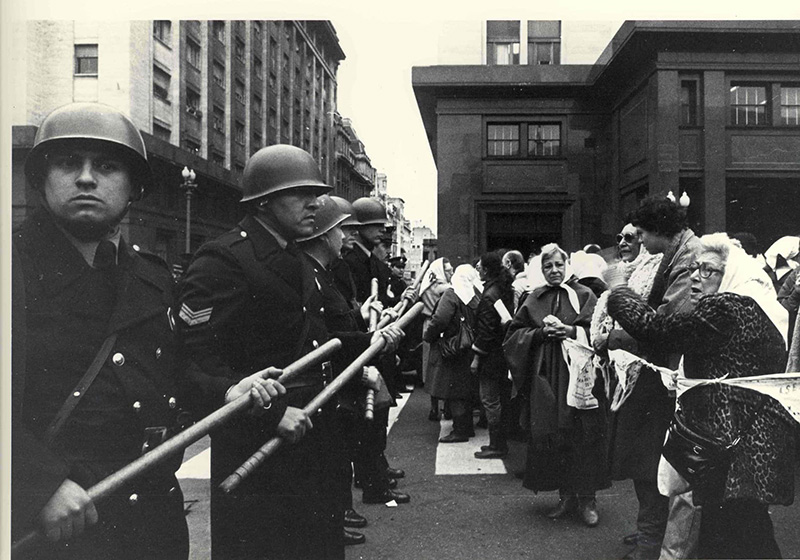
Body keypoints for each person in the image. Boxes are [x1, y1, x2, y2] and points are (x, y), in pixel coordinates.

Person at [12, 102, 280, 559]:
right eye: (67, 163)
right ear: (40, 180)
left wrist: (228, 391)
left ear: (134, 186)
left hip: (151, 523)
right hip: (59, 527)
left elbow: (170, 375)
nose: (86, 178)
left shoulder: (151, 276)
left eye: (107, 166)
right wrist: (38, 483)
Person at [179, 144, 347, 559]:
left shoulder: (297, 257)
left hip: (309, 439)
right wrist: (270, 413)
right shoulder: (225, 258)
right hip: (256, 452)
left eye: (317, 192)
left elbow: (314, 338)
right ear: (265, 202)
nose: (316, 203)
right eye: (301, 193)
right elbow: (195, 359)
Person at [608, 233, 794, 560]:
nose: (695, 276)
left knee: (734, 540)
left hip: (732, 458)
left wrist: (619, 288)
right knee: (747, 536)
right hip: (745, 452)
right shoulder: (757, 304)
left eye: (708, 271)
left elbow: (657, 330)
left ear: (731, 273)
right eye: (694, 268)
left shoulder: (728, 307)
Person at [297, 194, 406, 545]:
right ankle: (337, 515)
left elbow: (340, 324)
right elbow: (324, 337)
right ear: (326, 232)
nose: (347, 238)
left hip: (342, 373)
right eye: (343, 230)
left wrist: (367, 324)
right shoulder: (311, 276)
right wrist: (364, 355)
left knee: (339, 453)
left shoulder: (324, 275)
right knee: (335, 454)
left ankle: (337, 515)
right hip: (333, 379)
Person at [608, 197, 703, 560]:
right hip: (665, 374)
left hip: (672, 378)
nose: (640, 241)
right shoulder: (676, 254)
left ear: (660, 229)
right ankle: (652, 534)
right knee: (650, 460)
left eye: (643, 233)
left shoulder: (687, 257)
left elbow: (663, 324)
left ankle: (654, 541)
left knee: (654, 461)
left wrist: (618, 293)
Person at [503, 243, 606, 526]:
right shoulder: (533, 297)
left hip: (580, 376)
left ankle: (587, 499)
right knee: (555, 435)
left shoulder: (584, 295)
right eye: (547, 266)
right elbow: (513, 335)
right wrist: (538, 334)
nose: (554, 271)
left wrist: (571, 330)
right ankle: (566, 496)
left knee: (582, 434)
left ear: (567, 265)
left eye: (559, 265)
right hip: (547, 377)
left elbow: (600, 332)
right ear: (541, 269)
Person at [341, 196, 409, 503]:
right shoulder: (352, 263)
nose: (382, 229)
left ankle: (375, 472)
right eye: (376, 225)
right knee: (368, 420)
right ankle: (372, 480)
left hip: (377, 342)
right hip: (364, 343)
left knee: (377, 417)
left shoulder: (370, 261)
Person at [423, 264, 482, 442]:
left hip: (453, 348)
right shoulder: (477, 294)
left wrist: (429, 336)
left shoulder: (452, 294)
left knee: (454, 390)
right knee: (466, 389)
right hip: (471, 348)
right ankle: (467, 427)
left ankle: (460, 430)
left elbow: (440, 319)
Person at [471, 251, 515, 459]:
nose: (477, 269)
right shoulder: (501, 289)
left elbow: (486, 331)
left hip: (491, 357)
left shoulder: (489, 295)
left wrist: (476, 357)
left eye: (479, 266)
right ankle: (499, 443)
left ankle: (497, 444)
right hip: (502, 353)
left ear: (486, 270)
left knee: (489, 400)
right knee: (500, 399)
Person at [420, 257, 454, 420]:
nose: (451, 272)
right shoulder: (447, 289)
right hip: (444, 327)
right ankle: (446, 407)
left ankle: (433, 408)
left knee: (430, 367)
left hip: (428, 324)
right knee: (446, 367)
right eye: (448, 270)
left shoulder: (425, 285)